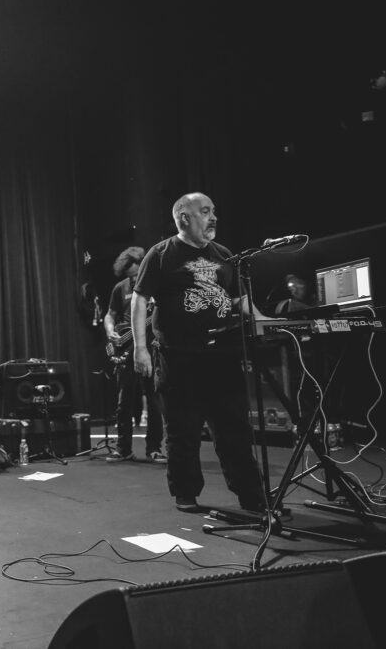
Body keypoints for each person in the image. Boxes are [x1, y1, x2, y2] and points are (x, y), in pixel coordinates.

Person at [131, 192, 266, 513]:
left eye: (214, 210)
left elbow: (238, 298)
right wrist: (140, 348)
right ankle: (186, 493)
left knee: (235, 429)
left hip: (222, 355)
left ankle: (251, 496)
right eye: (205, 211)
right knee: (183, 430)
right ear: (184, 218)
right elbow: (140, 298)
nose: (213, 217)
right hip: (178, 356)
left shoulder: (224, 254)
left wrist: (264, 321)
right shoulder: (161, 254)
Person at [103, 247, 165, 464]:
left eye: (137, 274)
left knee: (154, 400)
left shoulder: (155, 286)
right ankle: (123, 449)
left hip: (151, 349)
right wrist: (110, 330)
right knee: (124, 401)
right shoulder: (120, 288)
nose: (134, 279)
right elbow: (110, 315)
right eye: (130, 276)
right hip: (125, 348)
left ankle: (154, 449)